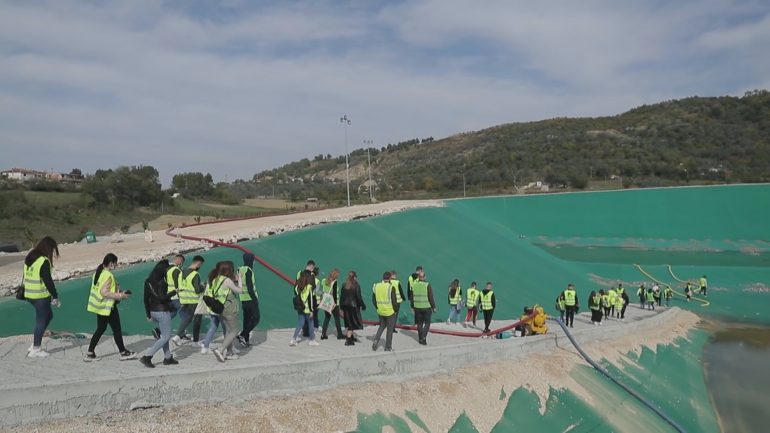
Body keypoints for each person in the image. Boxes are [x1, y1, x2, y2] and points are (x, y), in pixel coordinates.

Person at [84, 253, 135, 361]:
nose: (116, 265)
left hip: (99, 306)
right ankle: (123, 353)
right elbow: (104, 292)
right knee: (116, 330)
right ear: (111, 263)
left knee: (101, 329)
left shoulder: (98, 273)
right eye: (115, 263)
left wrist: (120, 292)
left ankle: (90, 353)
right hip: (108, 307)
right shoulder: (108, 275)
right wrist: (120, 295)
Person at [22, 236, 61, 358]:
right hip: (40, 296)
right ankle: (36, 349)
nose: (52, 253)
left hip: (29, 294)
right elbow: (48, 281)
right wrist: (55, 296)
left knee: (48, 315)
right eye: (53, 250)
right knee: (41, 321)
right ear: (49, 248)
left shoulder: (31, 257)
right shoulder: (43, 261)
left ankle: (35, 343)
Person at [201, 261, 243, 362]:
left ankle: (229, 353)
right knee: (234, 330)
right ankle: (220, 350)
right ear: (229, 270)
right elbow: (240, 290)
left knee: (228, 331)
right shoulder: (226, 280)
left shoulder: (214, 278)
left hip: (220, 307)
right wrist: (240, 279)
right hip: (229, 308)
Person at [139, 260, 179, 368]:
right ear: (163, 270)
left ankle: (168, 357)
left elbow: (145, 299)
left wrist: (148, 314)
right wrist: (174, 292)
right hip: (162, 312)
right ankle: (147, 356)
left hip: (153, 312)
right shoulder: (162, 282)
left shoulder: (148, 281)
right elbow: (162, 298)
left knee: (163, 335)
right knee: (166, 337)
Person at [172, 255, 205, 346]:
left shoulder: (181, 272)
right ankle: (191, 340)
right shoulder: (195, 274)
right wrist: (203, 286)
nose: (200, 267)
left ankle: (179, 336)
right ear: (199, 263)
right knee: (196, 319)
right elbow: (197, 290)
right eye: (201, 265)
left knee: (188, 318)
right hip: (193, 299)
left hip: (183, 299)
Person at [237, 254, 260, 347]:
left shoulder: (240, 270)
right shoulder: (248, 271)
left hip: (243, 298)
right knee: (256, 318)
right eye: (253, 260)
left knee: (246, 320)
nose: (254, 262)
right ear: (250, 260)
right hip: (250, 299)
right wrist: (254, 299)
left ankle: (245, 341)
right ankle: (242, 334)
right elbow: (250, 286)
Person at [291, 270, 319, 346]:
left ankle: (293, 339)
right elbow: (310, 300)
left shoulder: (297, 286)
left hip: (300, 307)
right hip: (307, 309)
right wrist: (311, 310)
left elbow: (296, 293)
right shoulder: (309, 287)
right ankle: (312, 340)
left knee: (300, 323)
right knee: (311, 324)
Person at [371, 272, 398, 352]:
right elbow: (394, 301)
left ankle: (376, 341)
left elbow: (373, 300)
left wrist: (377, 308)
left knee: (381, 326)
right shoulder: (391, 287)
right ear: (390, 278)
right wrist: (395, 310)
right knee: (390, 329)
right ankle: (388, 347)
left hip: (380, 311)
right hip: (390, 312)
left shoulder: (376, 286)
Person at [339, 270, 366, 346]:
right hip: (353, 306)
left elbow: (342, 296)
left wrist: (341, 306)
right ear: (354, 277)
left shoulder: (344, 284)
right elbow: (359, 297)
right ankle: (348, 340)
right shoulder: (356, 285)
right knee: (353, 323)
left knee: (349, 321)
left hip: (345, 306)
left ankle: (351, 337)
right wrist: (363, 305)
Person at [411, 269, 436, 345]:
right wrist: (434, 307)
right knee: (427, 323)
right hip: (426, 307)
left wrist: (412, 307)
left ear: (418, 277)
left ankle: (420, 339)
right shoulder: (427, 285)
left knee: (419, 324)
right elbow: (430, 297)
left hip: (417, 307)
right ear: (424, 277)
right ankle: (423, 337)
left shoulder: (414, 285)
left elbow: (412, 297)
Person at [320, 268, 344, 340]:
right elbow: (334, 294)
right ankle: (340, 335)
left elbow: (323, 290)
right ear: (336, 275)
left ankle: (323, 334)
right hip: (333, 303)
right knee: (337, 319)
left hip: (326, 302)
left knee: (327, 318)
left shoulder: (324, 280)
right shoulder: (334, 282)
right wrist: (335, 304)